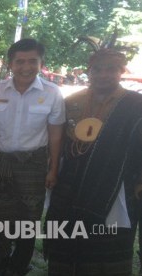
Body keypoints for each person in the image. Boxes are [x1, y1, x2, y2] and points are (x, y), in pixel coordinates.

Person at [45, 49, 142, 275]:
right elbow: (58, 141)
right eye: (97, 69)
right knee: (66, 239)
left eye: (111, 69)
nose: (103, 74)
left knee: (107, 242)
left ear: (121, 72)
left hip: (115, 186)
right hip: (71, 184)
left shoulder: (136, 104)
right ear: (89, 71)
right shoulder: (71, 101)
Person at [0, 38, 65, 275]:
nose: (26, 67)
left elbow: (56, 135)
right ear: (11, 64)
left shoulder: (52, 93)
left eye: (33, 61)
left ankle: (20, 264)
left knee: (28, 217)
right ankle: (0, 261)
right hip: (1, 163)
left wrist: (52, 170)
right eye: (20, 61)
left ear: (41, 63)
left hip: (34, 164)